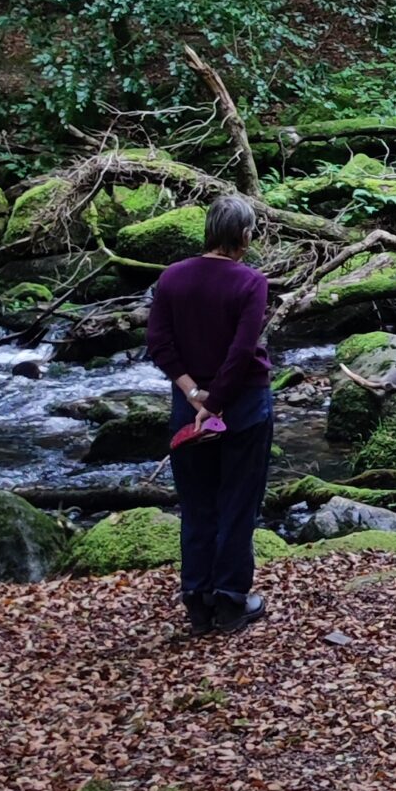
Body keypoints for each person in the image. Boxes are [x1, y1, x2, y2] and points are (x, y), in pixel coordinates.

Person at [143, 191, 274, 636]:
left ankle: (197, 602)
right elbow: (241, 354)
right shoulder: (251, 282)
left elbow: (159, 344)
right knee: (237, 504)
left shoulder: (172, 278)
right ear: (243, 235)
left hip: (188, 407)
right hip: (243, 408)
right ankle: (232, 602)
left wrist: (194, 395)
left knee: (197, 505)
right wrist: (215, 403)